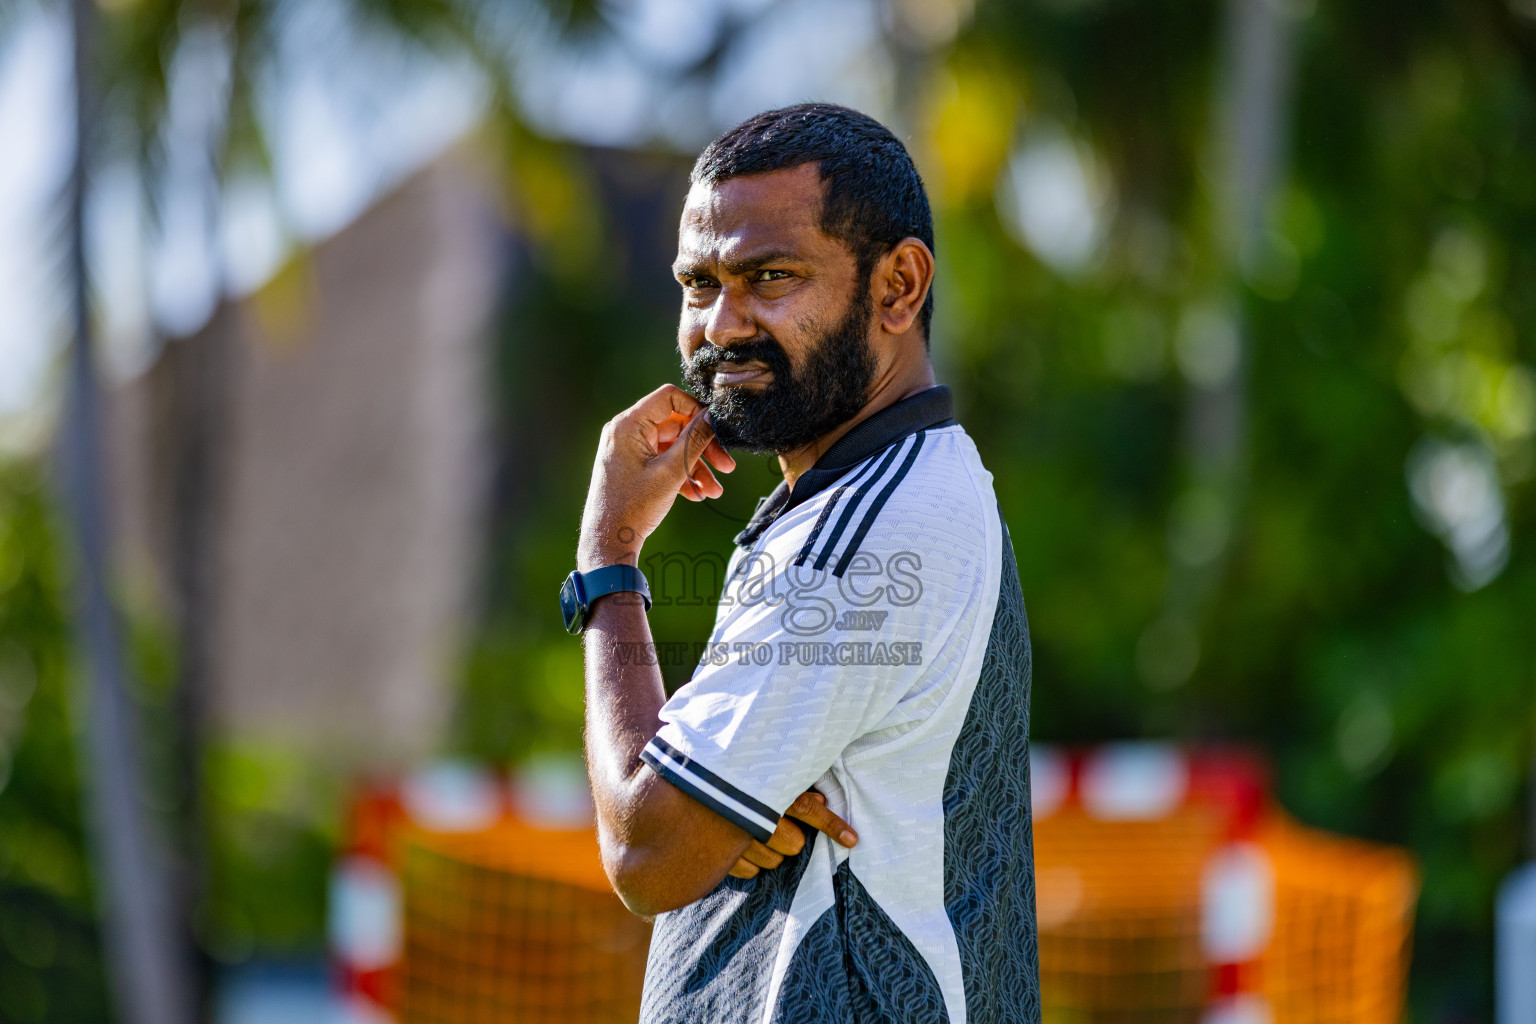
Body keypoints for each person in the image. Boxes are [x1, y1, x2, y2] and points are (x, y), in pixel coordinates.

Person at [563, 102, 1039, 1023]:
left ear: (898, 287)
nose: (723, 325)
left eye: (770, 277)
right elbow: (683, 832)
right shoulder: (887, 492)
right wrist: (728, 809)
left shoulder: (867, 529)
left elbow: (646, 849)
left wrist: (608, 557)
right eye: (698, 285)